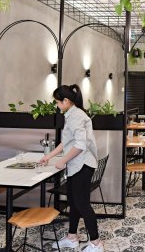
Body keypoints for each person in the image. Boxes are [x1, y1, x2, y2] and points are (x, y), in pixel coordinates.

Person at [40, 84, 104, 252]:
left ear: (66, 101)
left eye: (57, 102)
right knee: (74, 202)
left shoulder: (76, 116)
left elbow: (80, 145)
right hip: (77, 164)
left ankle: (96, 244)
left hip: (82, 164)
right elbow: (66, 142)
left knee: (82, 204)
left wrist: (63, 161)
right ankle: (72, 237)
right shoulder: (72, 114)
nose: (57, 105)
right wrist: (49, 156)